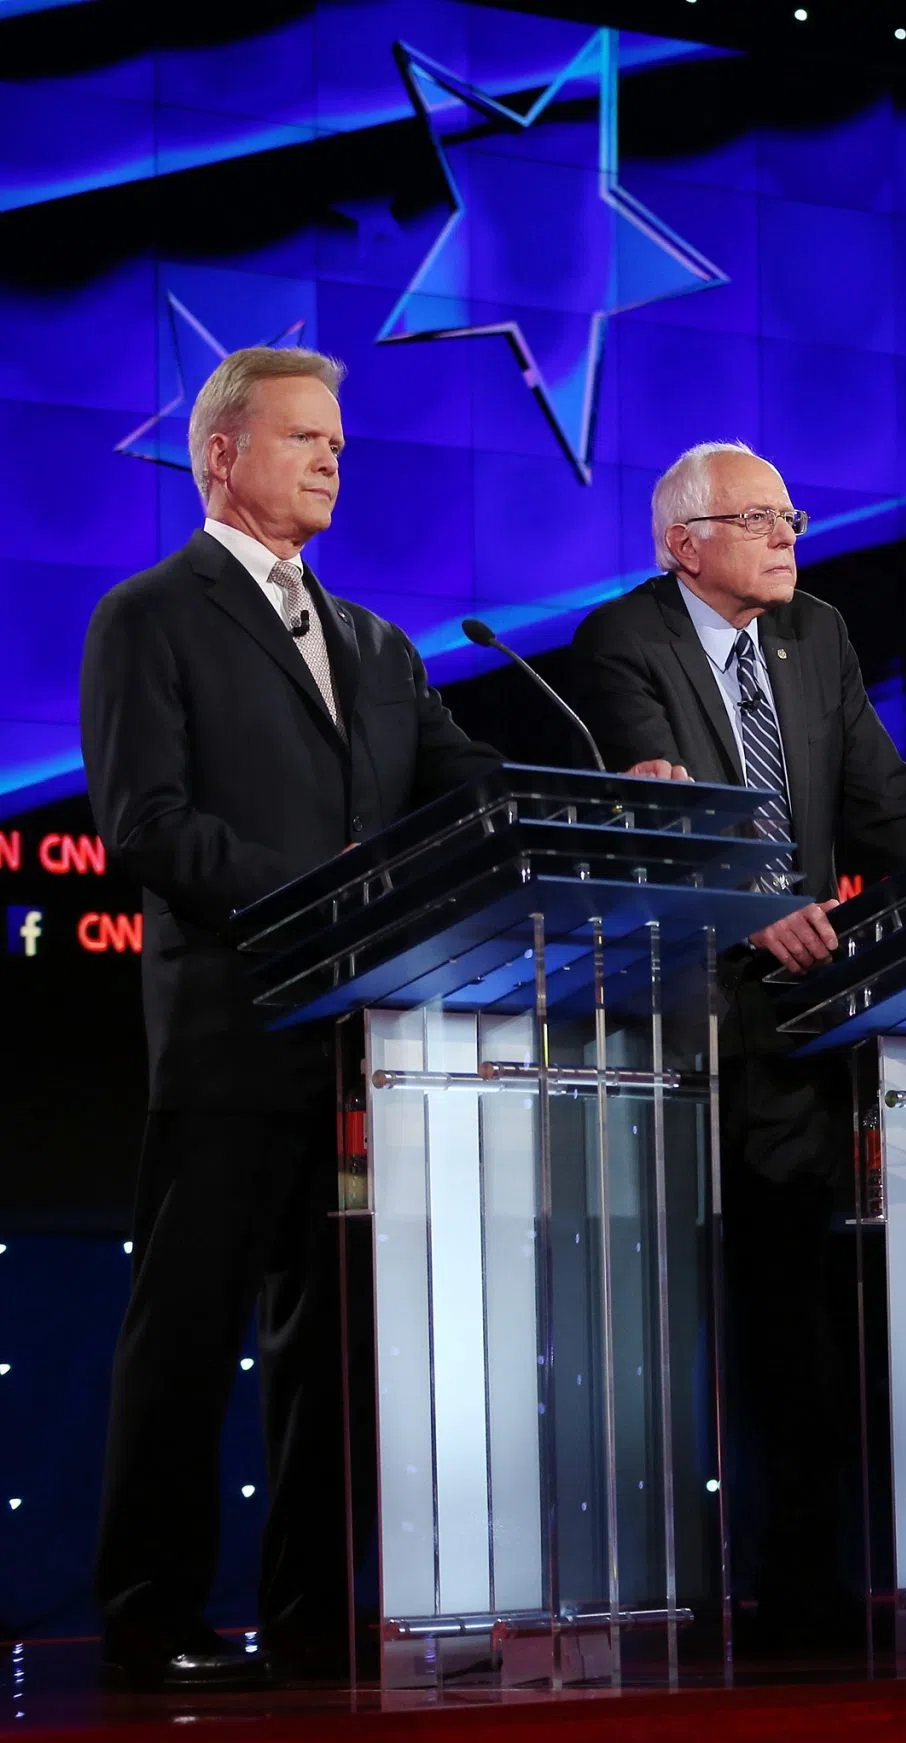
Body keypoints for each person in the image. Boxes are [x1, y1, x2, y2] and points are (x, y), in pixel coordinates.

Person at [81, 348, 501, 1689]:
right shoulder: (152, 613)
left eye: (339, 440)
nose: (331, 457)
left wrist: (591, 798)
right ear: (221, 453)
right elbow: (145, 823)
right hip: (229, 1028)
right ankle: (152, 1615)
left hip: (364, 1048)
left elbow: (464, 783)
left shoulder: (376, 640)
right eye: (304, 436)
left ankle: (317, 1614)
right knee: (190, 1334)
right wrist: (324, 896)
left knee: (336, 1348)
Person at [568, 440, 906, 1645]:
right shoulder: (621, 639)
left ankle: (808, 1591)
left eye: (793, 517)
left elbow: (881, 797)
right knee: (683, 1319)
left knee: (801, 1318)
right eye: (762, 520)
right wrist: (749, 899)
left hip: (801, 1031)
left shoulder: (816, 635)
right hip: (676, 1023)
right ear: (684, 542)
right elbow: (655, 802)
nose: (790, 539)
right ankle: (667, 1589)